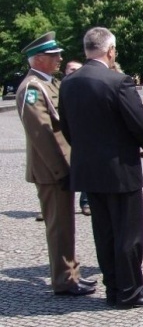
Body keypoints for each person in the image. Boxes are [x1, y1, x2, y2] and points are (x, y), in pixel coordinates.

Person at [59, 26, 143, 308]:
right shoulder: (118, 81)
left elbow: (66, 127)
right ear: (111, 50)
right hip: (120, 169)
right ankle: (129, 292)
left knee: (103, 233)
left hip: (88, 170)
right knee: (129, 234)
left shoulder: (68, 83)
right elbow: (141, 123)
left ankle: (113, 288)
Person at [15, 33, 96, 297]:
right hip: (51, 170)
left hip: (61, 166)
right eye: (54, 56)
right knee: (59, 226)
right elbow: (42, 134)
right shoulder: (32, 88)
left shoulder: (48, 84)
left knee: (66, 225)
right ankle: (63, 280)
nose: (60, 59)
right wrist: (61, 170)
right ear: (39, 59)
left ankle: (71, 274)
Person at [63, 60, 91, 216]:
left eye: (78, 69)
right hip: (63, 135)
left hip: (83, 137)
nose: (75, 72)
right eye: (72, 69)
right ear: (65, 70)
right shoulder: (58, 87)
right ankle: (53, 205)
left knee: (86, 169)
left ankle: (85, 203)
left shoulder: (85, 88)